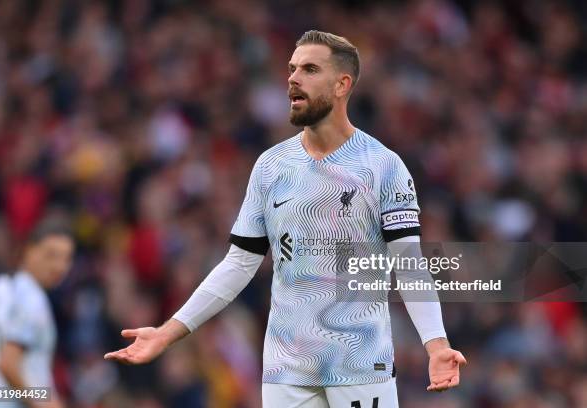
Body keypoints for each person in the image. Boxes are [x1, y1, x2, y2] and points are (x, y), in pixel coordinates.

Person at [104, 30, 467, 407]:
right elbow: (239, 264)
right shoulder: (271, 167)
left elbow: (408, 263)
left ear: (343, 85)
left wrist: (436, 344)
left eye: (309, 69)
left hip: (360, 366)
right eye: (292, 68)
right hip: (286, 372)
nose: (293, 78)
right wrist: (168, 332)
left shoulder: (383, 166)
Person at [0, 222, 74, 408]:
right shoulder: (31, 298)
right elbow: (8, 362)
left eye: (66, 258)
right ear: (29, 250)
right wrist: (45, 403)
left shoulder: (0, 287)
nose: (60, 266)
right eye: (51, 255)